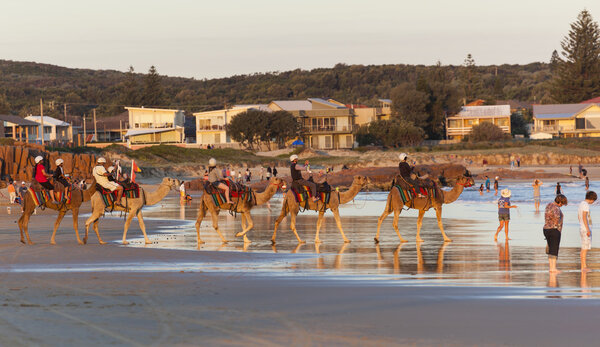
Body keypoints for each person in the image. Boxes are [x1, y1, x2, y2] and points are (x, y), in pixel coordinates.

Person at [543, 194, 568, 273]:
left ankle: (551, 267)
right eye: (562, 204)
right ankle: (553, 268)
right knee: (554, 249)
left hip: (546, 229)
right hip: (554, 229)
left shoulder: (548, 205)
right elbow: (557, 218)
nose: (562, 205)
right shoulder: (556, 208)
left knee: (551, 249)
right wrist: (557, 227)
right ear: (560, 202)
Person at [578, 191, 597, 272]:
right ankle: (584, 267)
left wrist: (582, 225)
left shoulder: (581, 204)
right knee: (585, 248)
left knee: (584, 248)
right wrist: (588, 229)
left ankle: (583, 266)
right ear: (592, 199)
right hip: (585, 228)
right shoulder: (586, 205)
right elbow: (584, 217)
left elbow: (579, 217)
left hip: (582, 227)